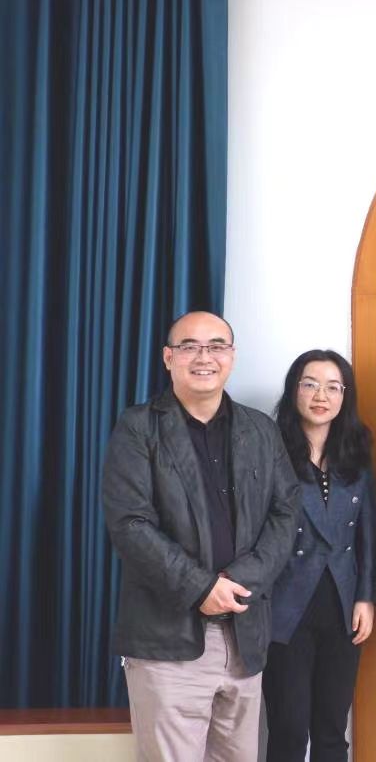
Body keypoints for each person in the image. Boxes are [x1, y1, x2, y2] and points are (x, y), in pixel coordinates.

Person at [101, 311, 299, 762]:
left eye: (216, 346)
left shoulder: (260, 429)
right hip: (167, 638)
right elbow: (130, 523)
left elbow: (285, 512)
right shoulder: (138, 427)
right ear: (168, 358)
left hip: (245, 635)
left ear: (232, 356)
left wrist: (241, 580)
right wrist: (201, 588)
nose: (204, 357)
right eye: (189, 346)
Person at [262, 350, 376, 761]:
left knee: (332, 730)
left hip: (342, 604)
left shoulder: (355, 453)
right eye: (310, 384)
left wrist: (366, 596)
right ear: (294, 390)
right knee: (289, 730)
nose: (321, 396)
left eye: (333, 387)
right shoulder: (270, 449)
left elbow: (368, 532)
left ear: (345, 396)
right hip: (285, 604)